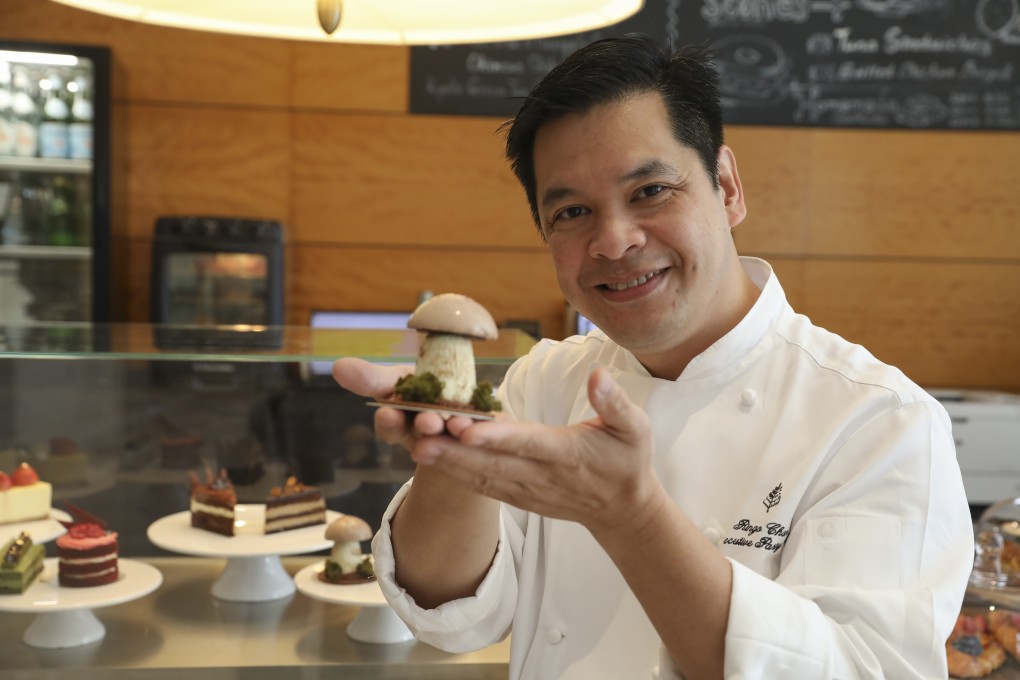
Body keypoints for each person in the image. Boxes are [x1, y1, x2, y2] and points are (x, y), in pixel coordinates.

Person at [333, 34, 973, 679]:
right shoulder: (546, 381)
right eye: (573, 211)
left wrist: (629, 515)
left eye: (650, 191)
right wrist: (446, 453)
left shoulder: (881, 423)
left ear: (725, 188)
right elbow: (453, 614)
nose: (613, 241)